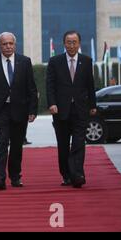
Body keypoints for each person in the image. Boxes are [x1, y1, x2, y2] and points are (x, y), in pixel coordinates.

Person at [0, 32, 38, 190]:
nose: (8, 46)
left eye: (10, 43)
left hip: (20, 110)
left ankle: (15, 176)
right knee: (2, 142)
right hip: (1, 110)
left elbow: (31, 88)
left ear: (15, 45)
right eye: (4, 44)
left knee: (16, 145)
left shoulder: (25, 61)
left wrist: (32, 110)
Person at [47, 30, 97, 188]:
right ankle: (66, 174)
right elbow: (50, 85)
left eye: (74, 42)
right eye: (68, 42)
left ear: (79, 44)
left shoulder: (86, 61)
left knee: (78, 143)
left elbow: (90, 85)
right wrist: (52, 103)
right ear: (64, 44)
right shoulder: (55, 61)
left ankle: (78, 174)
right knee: (63, 145)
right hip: (60, 110)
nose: (71, 45)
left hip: (80, 110)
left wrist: (93, 105)